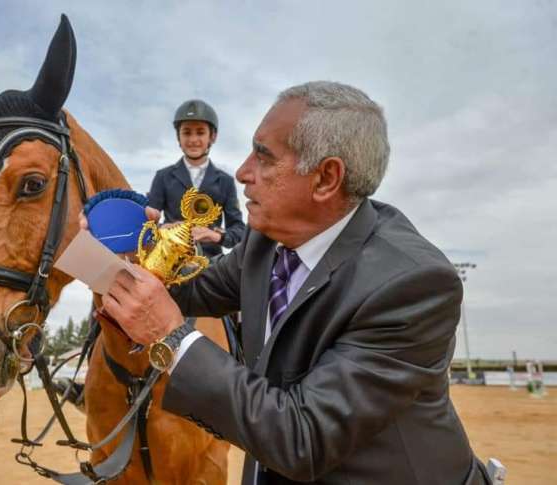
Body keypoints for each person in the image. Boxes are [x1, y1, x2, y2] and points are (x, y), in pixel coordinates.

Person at [101, 81, 489, 484]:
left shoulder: (413, 284)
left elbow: (303, 439)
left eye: (264, 158)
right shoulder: (266, 238)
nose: (242, 172)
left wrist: (172, 338)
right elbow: (191, 290)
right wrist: (122, 254)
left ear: (325, 179)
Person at [147, 99, 245, 258]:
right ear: (178, 136)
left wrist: (217, 236)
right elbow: (147, 226)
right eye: (186, 132)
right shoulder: (162, 177)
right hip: (170, 260)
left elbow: (239, 231)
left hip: (212, 265)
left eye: (200, 132)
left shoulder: (225, 181)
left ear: (212, 136)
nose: (193, 140)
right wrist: (163, 228)